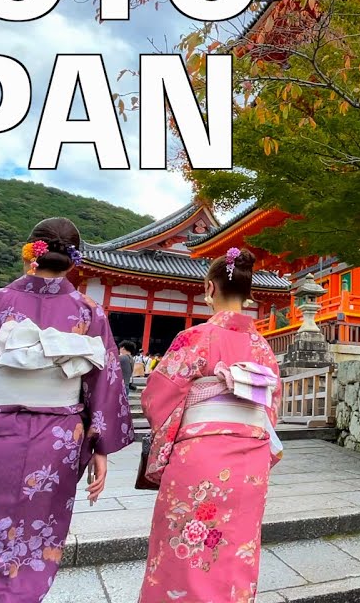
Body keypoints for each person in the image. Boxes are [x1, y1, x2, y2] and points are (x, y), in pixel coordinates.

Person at [0, 218, 134, 602]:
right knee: (36, 534)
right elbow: (105, 380)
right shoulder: (90, 313)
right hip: (58, 439)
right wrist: (100, 445)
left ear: (30, 251)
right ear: (74, 261)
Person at [139, 248, 281, 603]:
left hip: (200, 456)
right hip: (251, 463)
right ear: (249, 295)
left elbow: (158, 399)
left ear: (209, 288)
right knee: (235, 551)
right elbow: (270, 409)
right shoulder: (263, 349)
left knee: (182, 549)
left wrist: (168, 439)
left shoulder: (194, 338)